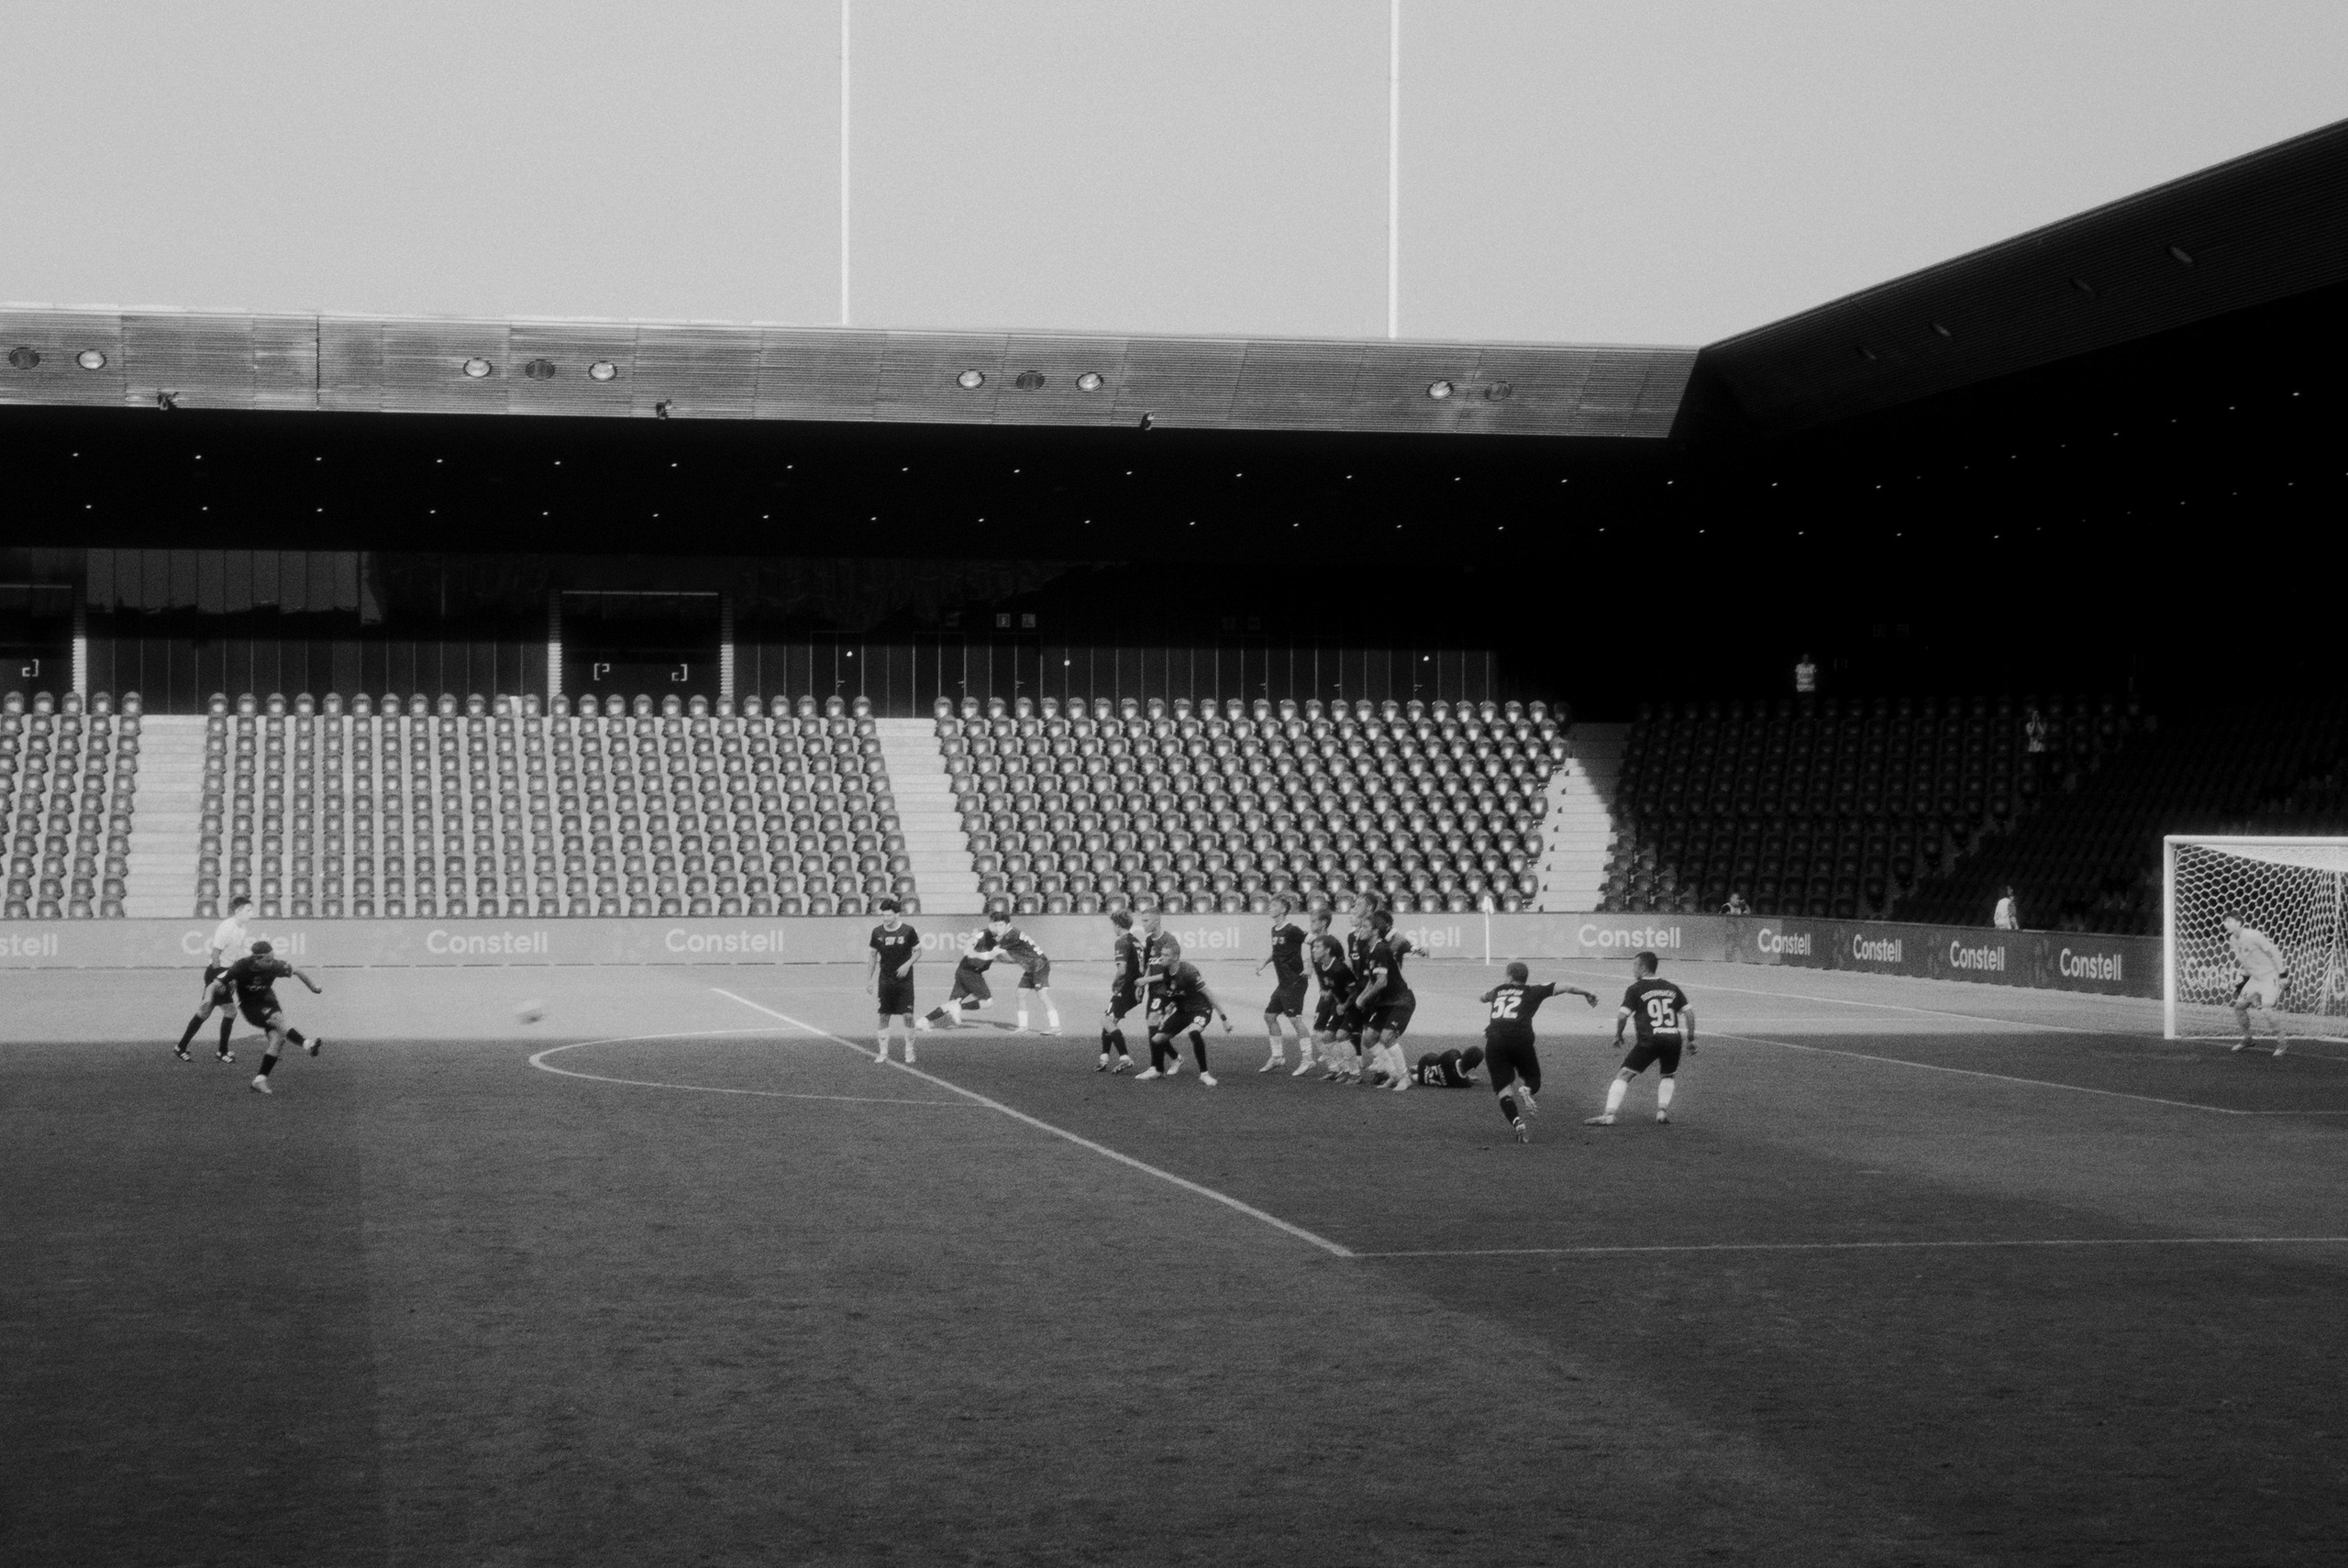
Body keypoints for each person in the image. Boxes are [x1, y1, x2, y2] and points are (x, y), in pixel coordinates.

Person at [1481, 961, 1599, 1143]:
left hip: (1495, 1042)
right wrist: (1587, 993)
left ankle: (1517, 1121)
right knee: (1533, 1079)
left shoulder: (1498, 990)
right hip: (1521, 1042)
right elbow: (1565, 986)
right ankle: (1527, 1089)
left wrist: (1486, 997)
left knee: (1503, 1089)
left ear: (1509, 976)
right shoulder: (1533, 991)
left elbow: (1483, 997)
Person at [1587, 950, 1695, 1126]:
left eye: (1634, 965)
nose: (1633, 969)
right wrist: (1690, 1039)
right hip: (1673, 1039)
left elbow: (1622, 1016)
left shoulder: (1635, 989)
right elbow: (1689, 1013)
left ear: (1641, 966)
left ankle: (1609, 1114)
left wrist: (1618, 1035)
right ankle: (1661, 1112)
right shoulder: (1672, 988)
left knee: (1624, 1074)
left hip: (1650, 1040)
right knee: (1668, 1075)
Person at [218, 940, 326, 1096]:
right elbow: (222, 981)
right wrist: (225, 989)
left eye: (272, 958)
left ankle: (259, 1080)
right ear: (256, 958)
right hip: (250, 1007)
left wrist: (314, 987)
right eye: (267, 960)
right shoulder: (241, 966)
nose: (271, 963)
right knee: (277, 1020)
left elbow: (297, 971)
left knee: (278, 1039)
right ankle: (307, 1044)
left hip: (269, 1001)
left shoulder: (274, 966)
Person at [1134, 937, 1231, 1086]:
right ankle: (1161, 1069)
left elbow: (1208, 994)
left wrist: (1224, 1019)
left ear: (1175, 957)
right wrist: (1169, 1007)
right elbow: (1175, 993)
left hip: (1200, 1009)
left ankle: (1204, 1074)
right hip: (1183, 1011)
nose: (1161, 958)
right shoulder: (1167, 972)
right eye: (1162, 954)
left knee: (1193, 1032)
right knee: (1156, 1039)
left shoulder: (1189, 972)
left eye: (1166, 955)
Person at [172, 893, 253, 1062]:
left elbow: (233, 956)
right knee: (230, 1011)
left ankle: (181, 1047)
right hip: (217, 973)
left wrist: (233, 977)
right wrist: (220, 980)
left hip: (226, 973)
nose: (251, 913)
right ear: (238, 911)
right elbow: (215, 954)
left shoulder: (242, 929)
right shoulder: (227, 927)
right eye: (248, 910)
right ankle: (221, 1052)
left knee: (205, 1012)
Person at [1351, 909, 1418, 1093]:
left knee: (1386, 1037)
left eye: (1364, 927)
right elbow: (1371, 980)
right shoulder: (1367, 950)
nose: (1360, 930)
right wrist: (1360, 997)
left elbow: (1381, 982)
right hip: (1384, 1003)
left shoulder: (1381, 949)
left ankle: (1404, 1078)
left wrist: (1363, 999)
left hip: (1401, 1001)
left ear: (1374, 931)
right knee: (1369, 1039)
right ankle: (1393, 1075)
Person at [2222, 913, 2292, 1058]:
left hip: (2270, 977)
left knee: (2266, 1009)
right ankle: (2247, 1039)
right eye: (2225, 922)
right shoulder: (2232, 939)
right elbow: (2245, 959)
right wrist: (2245, 979)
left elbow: (2273, 952)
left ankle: (2282, 1042)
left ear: (2239, 922)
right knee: (2239, 1007)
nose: (2226, 924)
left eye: (2229, 921)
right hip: (2254, 980)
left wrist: (2283, 975)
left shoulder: (2253, 935)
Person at [1255, 898, 1310, 1073]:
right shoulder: (1274, 930)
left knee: (1295, 1019)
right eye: (1269, 905)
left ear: (1284, 908)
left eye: (1274, 905)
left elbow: (1311, 941)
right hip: (1284, 983)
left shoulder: (1292, 929)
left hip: (1295, 981)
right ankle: (1278, 1057)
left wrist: (1308, 965)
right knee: (1269, 1016)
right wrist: (1265, 962)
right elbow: (1278, 951)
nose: (1270, 908)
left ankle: (1308, 1058)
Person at [1307, 908, 1360, 1081]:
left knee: (1338, 1034)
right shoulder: (1316, 946)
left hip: (1344, 999)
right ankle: (1337, 1068)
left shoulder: (1334, 947)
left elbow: (1345, 974)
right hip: (1332, 996)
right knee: (1319, 1035)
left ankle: (1353, 1068)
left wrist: (1343, 1003)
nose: (1311, 924)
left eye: (1314, 921)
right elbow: (1324, 973)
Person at [866, 897, 921, 1065]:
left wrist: (908, 964)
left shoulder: (908, 931)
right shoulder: (877, 933)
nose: (885, 918)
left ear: (897, 914)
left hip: (904, 981)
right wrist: (869, 979)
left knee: (908, 1015)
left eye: (889, 915)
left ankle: (909, 1051)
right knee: (884, 1015)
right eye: (884, 915)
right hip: (886, 981)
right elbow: (873, 956)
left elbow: (918, 952)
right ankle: (883, 1052)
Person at [987, 913, 1062, 1034]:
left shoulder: (1011, 936)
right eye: (996, 925)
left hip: (1039, 965)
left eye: (1001, 925)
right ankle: (1023, 1027)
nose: (998, 928)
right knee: (1020, 994)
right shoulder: (1010, 934)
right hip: (1031, 966)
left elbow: (996, 952)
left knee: (1042, 995)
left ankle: (1056, 1027)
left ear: (1008, 925)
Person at [918, 928, 998, 1030]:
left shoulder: (1000, 938)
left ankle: (923, 1021)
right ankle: (959, 1007)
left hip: (963, 970)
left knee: (952, 1003)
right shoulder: (987, 933)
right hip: (971, 972)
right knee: (988, 1001)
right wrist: (969, 948)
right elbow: (973, 939)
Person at [1098, 909, 1144, 1072]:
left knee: (1106, 1020)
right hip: (1137, 989)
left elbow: (1122, 969)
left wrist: (1115, 982)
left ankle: (1125, 1057)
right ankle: (1104, 1058)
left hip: (1126, 987)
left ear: (1117, 925)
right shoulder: (1136, 941)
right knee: (1111, 1019)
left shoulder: (1122, 941)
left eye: (1113, 925)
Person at [1412, 1043, 1487, 1088]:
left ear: (1464, 1053)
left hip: (1425, 1062)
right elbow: (1454, 1074)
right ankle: (1414, 1075)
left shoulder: (1453, 1054)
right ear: (1475, 1066)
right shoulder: (1464, 1084)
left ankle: (1414, 1068)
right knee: (1424, 1076)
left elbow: (1440, 1060)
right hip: (1425, 1081)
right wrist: (1467, 1078)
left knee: (1434, 1060)